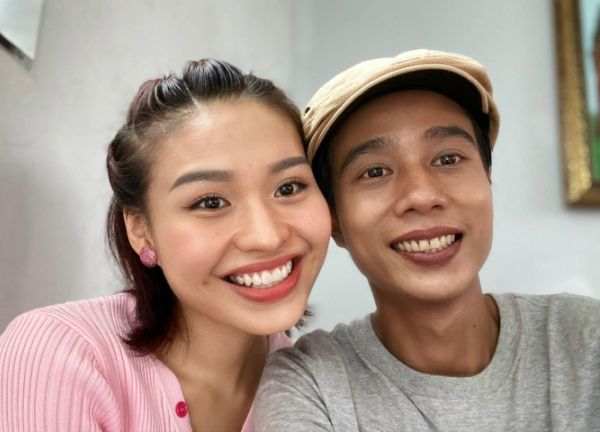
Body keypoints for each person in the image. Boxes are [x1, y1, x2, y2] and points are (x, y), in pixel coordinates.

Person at [254, 49, 600, 431]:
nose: (421, 195)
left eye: (448, 159)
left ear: (487, 178)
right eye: (375, 171)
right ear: (333, 218)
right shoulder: (310, 384)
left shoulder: (585, 339)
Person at [0, 59, 331, 431]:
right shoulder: (62, 352)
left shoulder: (322, 390)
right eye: (210, 202)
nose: (266, 236)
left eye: (288, 188)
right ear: (141, 230)